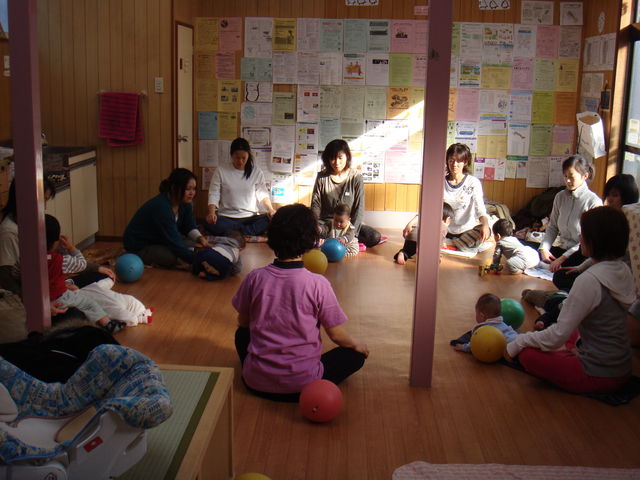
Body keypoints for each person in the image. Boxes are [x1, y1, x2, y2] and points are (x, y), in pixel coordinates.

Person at [232, 204, 369, 402]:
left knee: (241, 334)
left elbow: (243, 323)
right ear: (310, 240)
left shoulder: (255, 278)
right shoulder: (318, 283)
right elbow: (336, 335)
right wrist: (357, 344)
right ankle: (300, 375)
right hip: (304, 385)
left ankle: (259, 369)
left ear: (272, 237)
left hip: (255, 383)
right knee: (355, 356)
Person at [505, 206, 634, 394]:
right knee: (571, 330)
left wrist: (517, 343)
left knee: (527, 354)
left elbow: (556, 337)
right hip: (623, 367)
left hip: (598, 374)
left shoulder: (590, 280)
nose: (580, 238)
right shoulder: (624, 270)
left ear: (595, 240)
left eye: (583, 234)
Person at [0, 178, 113, 293]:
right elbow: (8, 280)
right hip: (38, 294)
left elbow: (67, 262)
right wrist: (49, 296)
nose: (45, 207)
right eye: (43, 200)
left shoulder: (33, 223)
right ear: (26, 199)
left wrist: (95, 268)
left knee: (102, 276)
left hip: (51, 285)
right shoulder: (9, 232)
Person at [45, 215, 126, 334]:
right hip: (60, 298)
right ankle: (108, 324)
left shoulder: (26, 259)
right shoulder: (61, 260)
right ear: (55, 241)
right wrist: (71, 248)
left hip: (42, 300)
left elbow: (19, 274)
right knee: (88, 303)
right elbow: (82, 264)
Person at [123, 168, 209, 269]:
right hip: (140, 245)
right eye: (187, 189)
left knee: (192, 245)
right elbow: (174, 242)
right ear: (174, 188)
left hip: (160, 239)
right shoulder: (161, 207)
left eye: (194, 189)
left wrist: (200, 238)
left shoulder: (185, 203)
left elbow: (189, 226)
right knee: (171, 256)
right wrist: (201, 261)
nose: (192, 193)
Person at [539, 155, 602, 291]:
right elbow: (553, 226)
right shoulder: (560, 196)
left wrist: (562, 258)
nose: (567, 180)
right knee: (533, 252)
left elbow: (587, 240)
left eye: (571, 177)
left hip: (579, 253)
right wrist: (544, 248)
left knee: (562, 276)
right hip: (561, 248)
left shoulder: (594, 202)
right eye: (565, 176)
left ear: (585, 176)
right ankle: (549, 265)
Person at [311, 139, 383, 249]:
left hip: (348, 225)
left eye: (340, 158)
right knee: (305, 233)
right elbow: (316, 204)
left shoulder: (356, 177)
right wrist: (315, 225)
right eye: (332, 158)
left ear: (347, 157)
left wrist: (351, 233)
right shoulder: (322, 177)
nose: (336, 162)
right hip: (326, 224)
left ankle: (337, 240)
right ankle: (330, 240)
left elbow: (359, 209)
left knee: (374, 237)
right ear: (327, 159)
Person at [204, 138, 275, 241]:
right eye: (237, 158)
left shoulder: (256, 172)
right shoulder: (221, 170)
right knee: (208, 222)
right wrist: (211, 213)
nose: (240, 161)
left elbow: (263, 195)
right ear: (231, 155)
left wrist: (271, 210)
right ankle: (245, 233)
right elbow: (214, 193)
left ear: (248, 156)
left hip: (250, 218)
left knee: (270, 219)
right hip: (226, 218)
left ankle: (235, 233)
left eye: (243, 158)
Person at [442, 143, 491, 252]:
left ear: (465, 162)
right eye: (451, 160)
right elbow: (429, 207)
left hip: (466, 232)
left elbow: (480, 209)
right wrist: (412, 222)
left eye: (459, 161)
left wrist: (485, 225)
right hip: (444, 230)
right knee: (418, 232)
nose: (454, 164)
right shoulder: (440, 181)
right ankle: (459, 245)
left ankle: (451, 243)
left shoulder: (473, 182)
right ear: (447, 161)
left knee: (486, 230)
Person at [453, 293, 519, 353]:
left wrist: (464, 347)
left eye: (476, 313)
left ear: (482, 316)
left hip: (511, 347)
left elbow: (476, 343)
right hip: (517, 338)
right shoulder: (502, 323)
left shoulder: (483, 329)